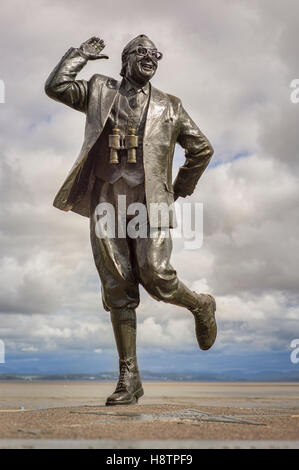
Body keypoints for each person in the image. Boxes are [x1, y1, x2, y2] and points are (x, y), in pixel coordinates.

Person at [45, 35, 217, 406]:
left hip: (149, 201)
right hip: (108, 198)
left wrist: (179, 188)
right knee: (117, 286)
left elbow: (201, 148)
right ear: (124, 60)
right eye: (142, 52)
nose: (150, 57)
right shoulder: (98, 90)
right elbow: (56, 86)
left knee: (156, 274)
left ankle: (201, 305)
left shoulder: (170, 106)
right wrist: (78, 57)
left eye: (155, 54)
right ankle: (130, 378)